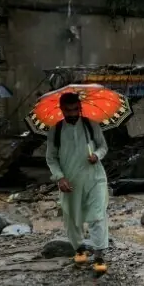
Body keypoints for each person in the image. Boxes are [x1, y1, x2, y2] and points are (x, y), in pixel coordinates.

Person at [46, 92, 110, 274]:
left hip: (95, 177)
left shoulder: (91, 125)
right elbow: (51, 158)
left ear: (80, 107)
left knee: (97, 215)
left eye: (75, 109)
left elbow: (103, 146)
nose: (72, 113)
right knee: (72, 217)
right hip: (70, 180)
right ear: (62, 109)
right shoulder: (55, 131)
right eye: (68, 110)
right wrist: (59, 177)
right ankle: (80, 250)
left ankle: (99, 256)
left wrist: (97, 155)